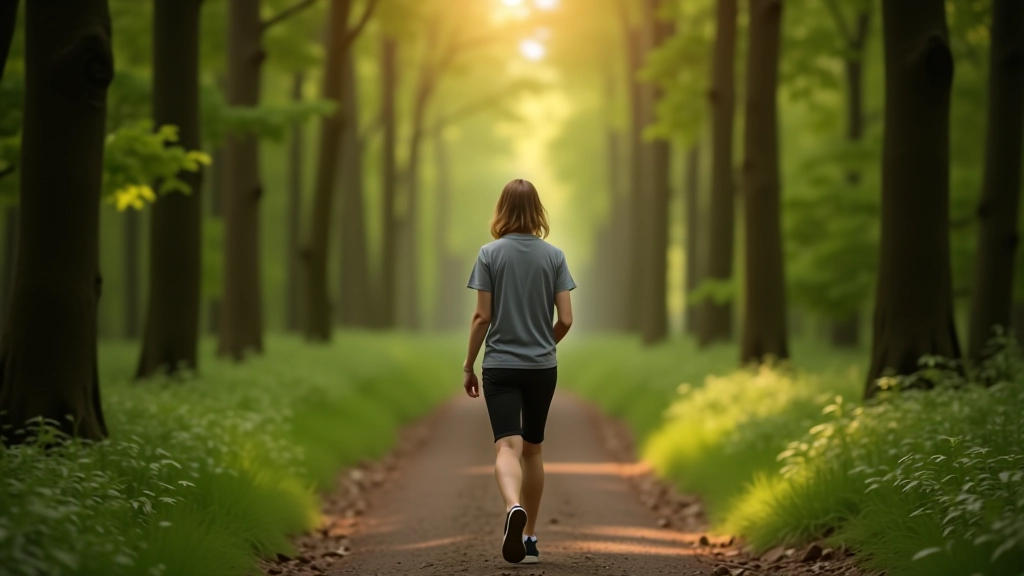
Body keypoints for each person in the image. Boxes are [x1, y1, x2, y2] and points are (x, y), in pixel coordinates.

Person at [462, 178, 576, 565]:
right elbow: (566, 319)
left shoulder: (489, 254)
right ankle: (528, 538)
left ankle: (513, 506)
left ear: (502, 210)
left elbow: (482, 316)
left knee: (506, 446)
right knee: (533, 448)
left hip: (499, 365)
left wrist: (468, 365)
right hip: (542, 367)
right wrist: (543, 346)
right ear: (538, 211)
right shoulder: (554, 256)